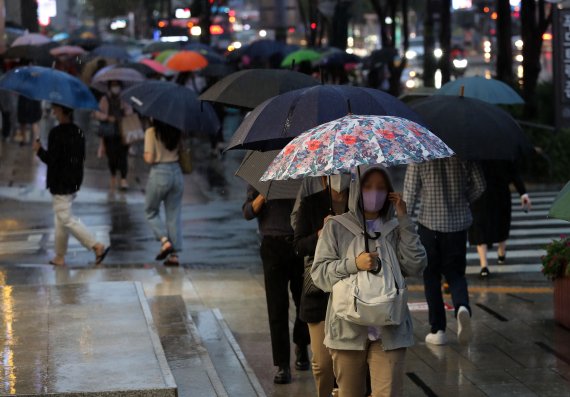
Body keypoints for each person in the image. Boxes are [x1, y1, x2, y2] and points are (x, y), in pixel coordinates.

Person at [311, 166, 426, 397]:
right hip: (347, 330)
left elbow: (415, 265)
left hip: (389, 330)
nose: (375, 193)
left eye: (381, 188)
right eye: (368, 186)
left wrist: (403, 218)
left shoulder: (394, 228)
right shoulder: (336, 226)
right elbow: (320, 275)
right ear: (356, 189)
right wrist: (354, 264)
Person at [403, 157, 486, 345]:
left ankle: (438, 329)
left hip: (429, 225)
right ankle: (462, 306)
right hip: (457, 225)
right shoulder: (463, 151)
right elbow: (480, 185)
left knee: (431, 277)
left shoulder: (420, 153)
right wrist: (463, 200)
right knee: (455, 273)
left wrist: (402, 220)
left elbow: (410, 191)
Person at [242, 186, 310, 385]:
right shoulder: (261, 174)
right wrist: (263, 194)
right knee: (277, 308)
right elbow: (247, 212)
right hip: (271, 246)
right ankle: (282, 365)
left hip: (299, 243)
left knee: (303, 301)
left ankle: (302, 343)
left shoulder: (301, 172)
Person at [32, 104, 110, 266]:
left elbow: (52, 160)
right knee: (60, 219)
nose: (53, 111)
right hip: (73, 180)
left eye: (55, 109)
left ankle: (96, 245)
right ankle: (59, 256)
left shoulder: (56, 133)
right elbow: (80, 158)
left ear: (62, 111)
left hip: (60, 182)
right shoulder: (78, 132)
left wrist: (39, 150)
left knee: (66, 218)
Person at [294, 175, 349, 397]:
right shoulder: (310, 203)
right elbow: (298, 246)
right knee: (323, 363)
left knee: (347, 363)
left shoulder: (360, 204)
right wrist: (320, 233)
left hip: (351, 290)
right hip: (319, 291)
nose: (340, 174)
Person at [469, 160, 531, 278]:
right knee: (501, 223)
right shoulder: (503, 151)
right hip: (501, 194)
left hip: (479, 195)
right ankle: (501, 253)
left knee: (480, 228)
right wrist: (523, 193)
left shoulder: (475, 153)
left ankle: (484, 265)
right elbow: (514, 174)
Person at [143, 119, 184, 266]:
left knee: (150, 211)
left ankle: (165, 241)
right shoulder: (177, 130)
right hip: (177, 173)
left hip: (160, 173)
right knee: (173, 215)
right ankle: (174, 256)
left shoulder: (151, 132)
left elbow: (149, 158)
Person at [94, 80, 132, 191]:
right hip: (109, 132)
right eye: (113, 85)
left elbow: (130, 112)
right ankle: (113, 175)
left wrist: (124, 114)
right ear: (109, 86)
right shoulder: (104, 99)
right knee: (111, 156)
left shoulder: (125, 99)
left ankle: (124, 179)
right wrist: (107, 117)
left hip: (122, 131)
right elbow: (97, 113)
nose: (115, 88)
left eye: (117, 85)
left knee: (123, 155)